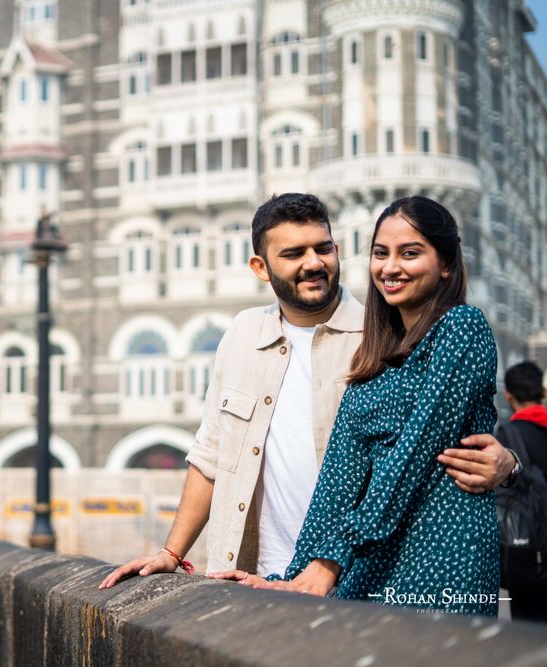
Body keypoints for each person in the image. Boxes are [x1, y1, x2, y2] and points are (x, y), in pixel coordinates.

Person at [100, 193, 514, 594]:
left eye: (322, 249)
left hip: (359, 570)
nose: (313, 263)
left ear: (337, 249)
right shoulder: (243, 335)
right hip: (263, 571)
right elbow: (212, 455)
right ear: (260, 267)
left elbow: (414, 454)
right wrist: (173, 552)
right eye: (294, 254)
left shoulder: (382, 341)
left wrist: (509, 466)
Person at [213, 195, 503, 615]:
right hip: (371, 560)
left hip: (441, 553)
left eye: (410, 253)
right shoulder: (375, 355)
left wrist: (329, 562)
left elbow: (413, 456)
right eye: (380, 253)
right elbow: (338, 481)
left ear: (446, 264)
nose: (391, 267)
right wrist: (294, 576)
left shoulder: (462, 328)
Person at [495, 361, 547, 621]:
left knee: (527, 629)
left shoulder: (507, 435)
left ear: (509, 396)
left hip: (526, 550)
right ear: (544, 392)